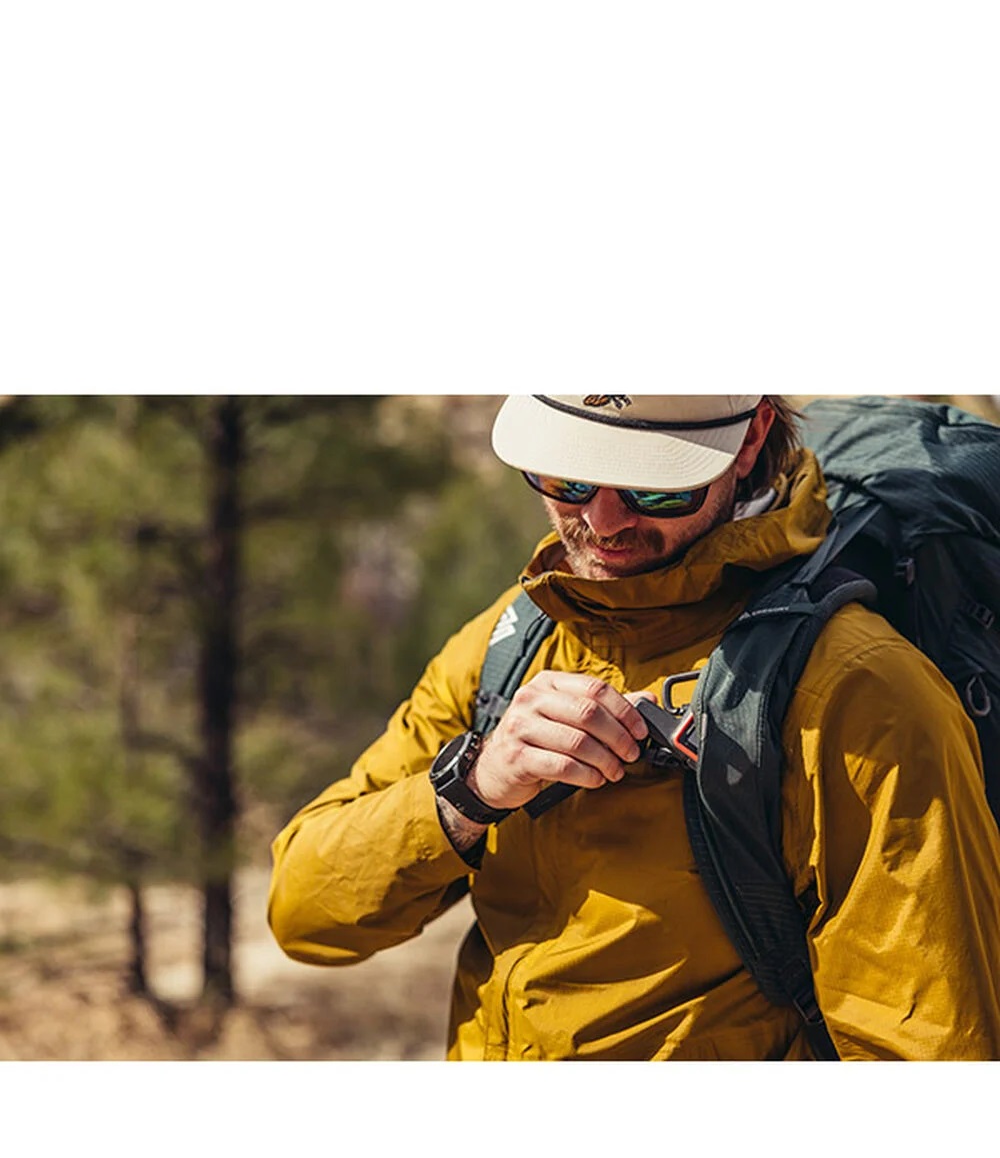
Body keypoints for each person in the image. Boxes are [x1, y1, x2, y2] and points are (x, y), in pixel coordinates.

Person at [268, 395, 1000, 1060]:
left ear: (750, 444)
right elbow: (303, 913)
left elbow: (924, 1043)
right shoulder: (516, 636)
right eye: (570, 482)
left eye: (656, 487)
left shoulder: (859, 690)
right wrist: (471, 793)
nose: (605, 524)